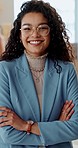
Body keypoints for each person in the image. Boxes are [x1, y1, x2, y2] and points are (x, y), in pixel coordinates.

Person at [0, 0, 78, 147]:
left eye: (42, 28)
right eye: (27, 28)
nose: (35, 34)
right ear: (19, 34)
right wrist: (57, 128)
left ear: (51, 32)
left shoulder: (67, 70)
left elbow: (76, 126)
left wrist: (25, 126)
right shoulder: (4, 70)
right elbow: (7, 133)